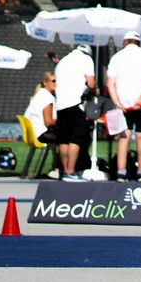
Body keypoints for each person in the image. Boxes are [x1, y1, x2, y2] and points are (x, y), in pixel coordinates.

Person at [105, 30, 141, 182]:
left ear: (124, 42)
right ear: (138, 42)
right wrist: (140, 99)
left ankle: (121, 172)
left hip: (123, 105)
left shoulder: (116, 57)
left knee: (124, 137)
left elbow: (110, 83)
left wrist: (116, 102)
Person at [52, 42, 96, 179]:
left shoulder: (63, 61)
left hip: (61, 104)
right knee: (76, 138)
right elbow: (91, 83)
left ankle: (64, 171)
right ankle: (71, 171)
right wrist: (93, 92)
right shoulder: (86, 59)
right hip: (75, 103)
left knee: (64, 139)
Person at [22, 72, 60, 148]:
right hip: (42, 134)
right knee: (74, 137)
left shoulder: (38, 95)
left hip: (34, 134)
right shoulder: (47, 97)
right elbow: (48, 122)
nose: (56, 83)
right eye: (53, 81)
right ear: (45, 82)